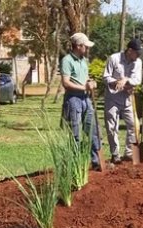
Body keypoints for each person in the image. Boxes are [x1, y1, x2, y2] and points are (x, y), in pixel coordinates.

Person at [60, 32, 101, 170]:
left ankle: (96, 162)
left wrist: (91, 83)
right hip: (73, 100)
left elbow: (85, 78)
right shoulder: (67, 60)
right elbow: (65, 83)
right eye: (86, 46)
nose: (88, 49)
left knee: (93, 130)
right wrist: (84, 86)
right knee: (75, 133)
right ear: (78, 46)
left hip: (86, 99)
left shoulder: (84, 61)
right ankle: (75, 165)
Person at [102, 38, 143, 163]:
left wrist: (125, 80)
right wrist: (116, 82)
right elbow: (105, 77)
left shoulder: (138, 62)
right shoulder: (114, 59)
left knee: (134, 125)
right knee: (112, 127)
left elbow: (137, 80)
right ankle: (115, 155)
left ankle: (129, 153)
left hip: (128, 99)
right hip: (112, 98)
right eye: (137, 53)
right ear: (130, 51)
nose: (138, 56)